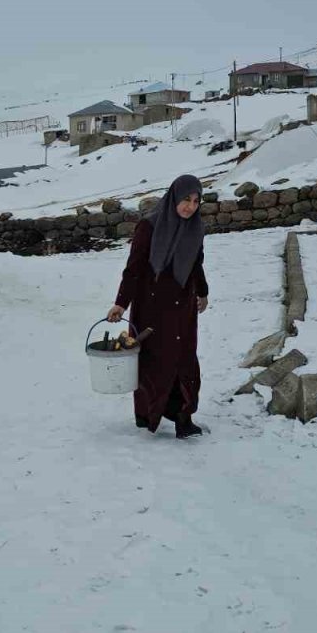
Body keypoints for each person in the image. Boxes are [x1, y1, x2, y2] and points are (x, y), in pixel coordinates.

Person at [106, 174, 209, 439]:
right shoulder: (149, 227)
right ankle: (148, 413)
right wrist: (120, 302)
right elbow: (134, 269)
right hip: (152, 306)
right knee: (154, 362)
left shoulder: (195, 228)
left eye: (196, 201)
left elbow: (197, 263)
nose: (190, 206)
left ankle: (183, 418)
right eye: (186, 199)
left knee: (184, 360)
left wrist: (203, 293)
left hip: (183, 306)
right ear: (174, 197)